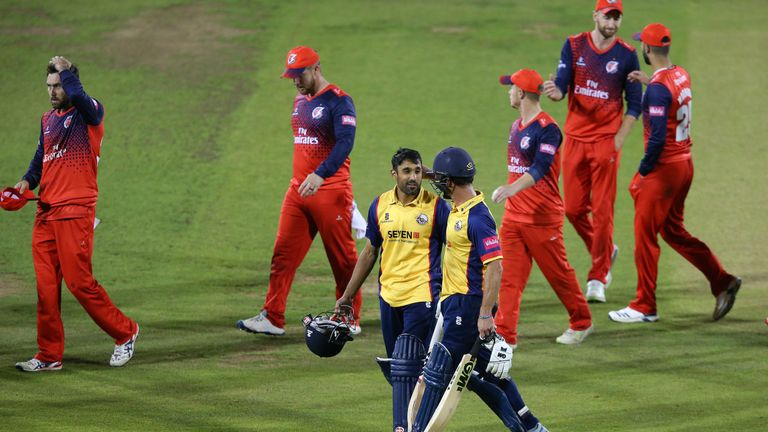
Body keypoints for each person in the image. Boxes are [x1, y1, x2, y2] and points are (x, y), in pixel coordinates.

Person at [608, 23, 741, 323]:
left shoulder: (657, 89)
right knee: (672, 231)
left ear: (648, 49)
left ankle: (645, 305)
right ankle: (722, 281)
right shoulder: (679, 74)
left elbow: (656, 139)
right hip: (684, 165)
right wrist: (650, 82)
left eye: (642, 43)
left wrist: (642, 172)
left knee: (645, 236)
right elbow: (667, 98)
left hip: (663, 171)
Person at [13, 56, 139, 372]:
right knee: (46, 289)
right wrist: (25, 183)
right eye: (49, 86)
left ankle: (125, 332)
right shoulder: (47, 120)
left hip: (75, 212)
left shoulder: (89, 114)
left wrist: (68, 72)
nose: (53, 92)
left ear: (70, 82)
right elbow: (39, 160)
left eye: (58, 85)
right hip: (46, 213)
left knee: (80, 283)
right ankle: (48, 354)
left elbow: (81, 97)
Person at [411, 147, 547, 432]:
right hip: (454, 303)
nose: (436, 184)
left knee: (440, 369)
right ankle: (531, 427)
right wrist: (429, 173)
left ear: (450, 182)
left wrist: (486, 313)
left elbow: (495, 267)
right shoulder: (461, 207)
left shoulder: (478, 219)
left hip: (469, 305)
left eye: (440, 179)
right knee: (491, 373)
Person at [237, 46, 361, 335]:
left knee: (343, 261)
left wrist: (320, 174)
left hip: (330, 191)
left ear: (315, 69)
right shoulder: (299, 100)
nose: (294, 80)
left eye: (299, 74)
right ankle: (272, 316)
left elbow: (345, 143)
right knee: (282, 256)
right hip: (298, 191)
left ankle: (348, 318)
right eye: (291, 75)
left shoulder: (339, 101)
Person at [335, 148, 450, 432]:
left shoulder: (436, 207)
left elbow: (460, 244)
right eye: (407, 171)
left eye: (418, 171)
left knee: (406, 365)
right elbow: (370, 252)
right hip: (388, 298)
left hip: (422, 297)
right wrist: (348, 296)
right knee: (400, 372)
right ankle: (417, 423)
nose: (413, 177)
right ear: (394, 174)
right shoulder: (380, 205)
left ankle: (403, 426)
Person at [541, 0, 642, 303]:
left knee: (602, 212)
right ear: (595, 15)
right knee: (572, 209)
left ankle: (598, 276)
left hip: (605, 144)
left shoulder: (627, 55)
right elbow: (561, 85)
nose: (611, 22)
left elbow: (635, 103)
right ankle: (606, 250)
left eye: (617, 17)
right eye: (607, 16)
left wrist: (618, 139)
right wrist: (556, 93)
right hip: (574, 139)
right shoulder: (574, 46)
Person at [492, 69, 593, 346]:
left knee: (558, 274)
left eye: (511, 87)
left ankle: (582, 321)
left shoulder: (548, 129)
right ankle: (505, 335)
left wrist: (512, 188)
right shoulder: (516, 126)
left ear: (522, 93)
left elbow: (540, 167)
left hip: (541, 218)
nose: (509, 91)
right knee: (509, 277)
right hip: (514, 217)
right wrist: (512, 195)